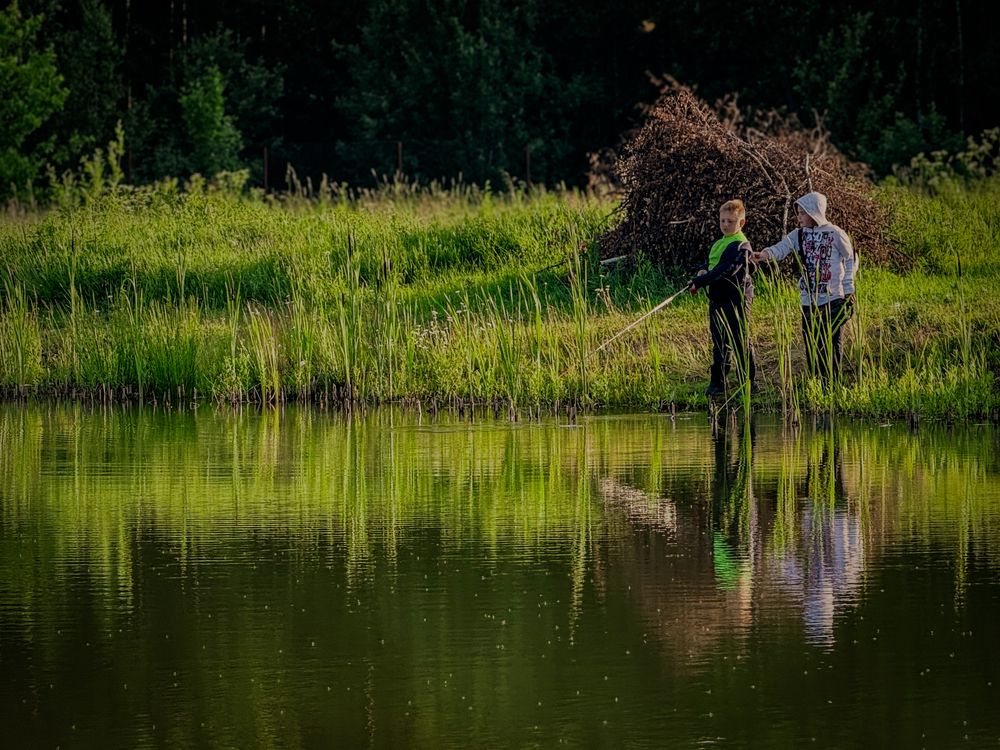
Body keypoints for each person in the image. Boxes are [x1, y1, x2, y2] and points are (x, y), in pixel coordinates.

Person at [752, 192, 857, 381]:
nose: (798, 217)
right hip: (809, 299)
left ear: (814, 212)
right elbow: (781, 248)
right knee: (812, 343)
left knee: (832, 344)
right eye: (798, 213)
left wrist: (848, 288)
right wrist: (764, 255)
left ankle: (832, 384)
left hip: (834, 298)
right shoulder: (798, 235)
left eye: (802, 213)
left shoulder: (835, 233)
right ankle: (816, 382)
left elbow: (850, 259)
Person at [688, 199, 756, 397]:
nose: (725, 225)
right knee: (719, 341)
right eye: (722, 221)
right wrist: (701, 272)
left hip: (736, 299)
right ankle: (718, 383)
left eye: (730, 221)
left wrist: (701, 281)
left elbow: (726, 270)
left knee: (739, 339)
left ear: (741, 223)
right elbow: (710, 264)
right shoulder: (718, 243)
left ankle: (748, 383)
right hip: (717, 299)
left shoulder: (742, 246)